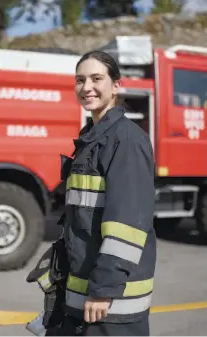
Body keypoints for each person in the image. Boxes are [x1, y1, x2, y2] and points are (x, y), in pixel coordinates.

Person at [54, 50, 157, 336]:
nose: (86, 87)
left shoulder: (125, 139)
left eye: (96, 78)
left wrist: (103, 288)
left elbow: (128, 224)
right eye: (80, 79)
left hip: (112, 306)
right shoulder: (92, 137)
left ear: (115, 86)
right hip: (84, 294)